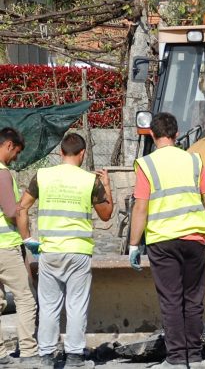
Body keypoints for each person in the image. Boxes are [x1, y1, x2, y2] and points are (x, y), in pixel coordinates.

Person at [128, 112, 205, 369]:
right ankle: (196, 357)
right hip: (194, 240)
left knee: (171, 299)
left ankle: (177, 359)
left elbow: (140, 208)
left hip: (162, 241)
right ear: (177, 135)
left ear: (153, 135)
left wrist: (135, 244)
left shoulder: (147, 164)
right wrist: (204, 229)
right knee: (193, 299)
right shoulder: (194, 161)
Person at [17, 133, 113, 367]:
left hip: (49, 251)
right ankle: (74, 356)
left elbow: (22, 208)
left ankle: (47, 355)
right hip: (78, 251)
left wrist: (28, 239)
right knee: (76, 305)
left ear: (60, 153)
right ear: (82, 154)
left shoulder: (43, 176)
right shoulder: (90, 181)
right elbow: (106, 214)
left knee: (49, 305)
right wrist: (107, 187)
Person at [0, 127, 39, 366]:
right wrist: (24, 203)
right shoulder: (3, 174)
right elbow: (11, 211)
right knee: (25, 299)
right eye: (16, 152)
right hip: (5, 247)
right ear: (8, 145)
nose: (16, 157)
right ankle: (28, 351)